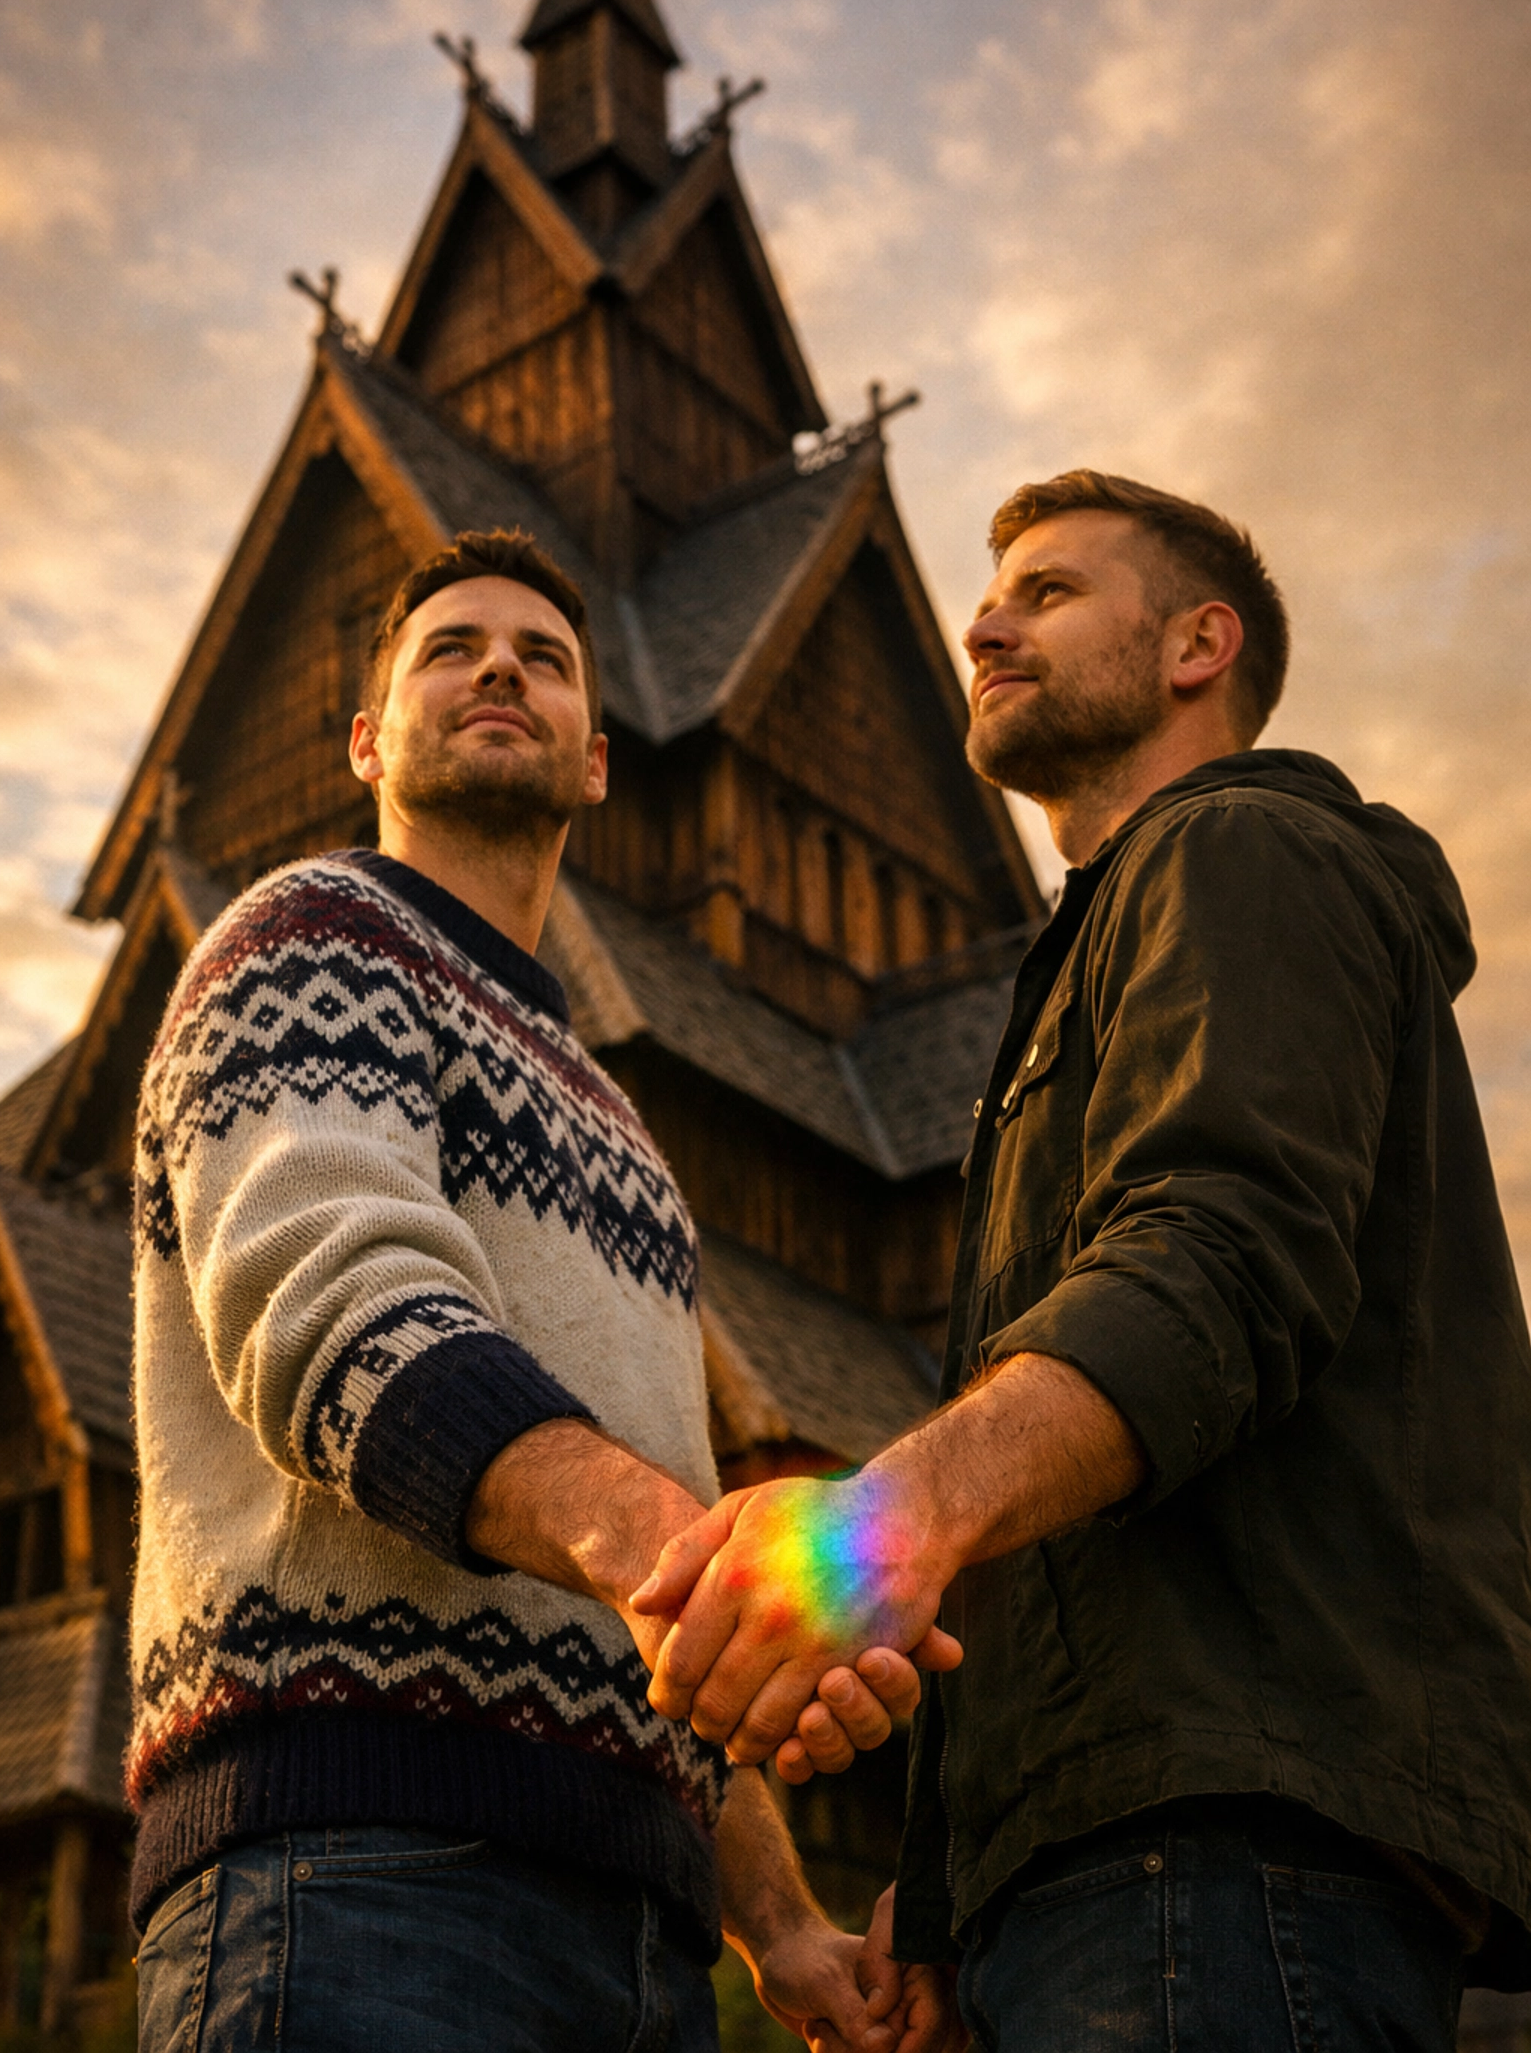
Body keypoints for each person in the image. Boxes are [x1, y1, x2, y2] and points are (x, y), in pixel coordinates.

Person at [636, 472, 1531, 2052]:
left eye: (1047, 592)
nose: (983, 623)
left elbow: (1218, 1262)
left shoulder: (1245, 851)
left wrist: (880, 1519)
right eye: (991, 598)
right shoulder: (1098, 952)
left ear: (1200, 644)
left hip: (1227, 1853)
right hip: (1114, 1870)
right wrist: (951, 1879)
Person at [128, 526, 955, 2053]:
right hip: (361, 1868)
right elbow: (340, 1319)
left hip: (641, 1942)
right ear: (371, 740)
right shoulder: (308, 941)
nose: (501, 665)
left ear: (593, 764)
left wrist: (776, 1925)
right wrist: (726, 1575)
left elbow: (655, 1599)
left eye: (547, 659)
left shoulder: (628, 1141)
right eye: (452, 648)